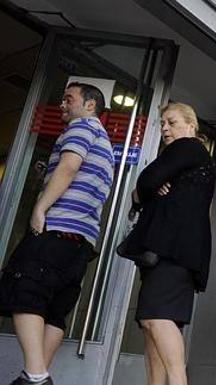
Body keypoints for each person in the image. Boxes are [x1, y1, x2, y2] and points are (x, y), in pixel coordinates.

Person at [0, 82, 114, 385]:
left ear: (90, 105)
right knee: (54, 309)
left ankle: (36, 376)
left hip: (57, 228)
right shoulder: (104, 141)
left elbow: (69, 167)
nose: (62, 104)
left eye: (69, 99)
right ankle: (34, 375)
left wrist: (40, 208)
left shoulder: (81, 126)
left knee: (24, 292)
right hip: (82, 239)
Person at [126, 102, 215, 385]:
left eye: (172, 122)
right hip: (175, 252)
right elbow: (141, 192)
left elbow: (145, 181)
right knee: (152, 325)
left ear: (191, 126)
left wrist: (150, 187)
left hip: (173, 251)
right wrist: (149, 189)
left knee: (156, 319)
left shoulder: (187, 146)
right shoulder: (188, 158)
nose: (165, 128)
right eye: (162, 123)